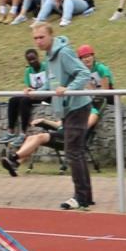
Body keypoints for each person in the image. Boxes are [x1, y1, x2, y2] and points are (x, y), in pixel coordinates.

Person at [28, 22, 94, 210]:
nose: (38, 41)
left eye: (41, 37)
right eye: (35, 38)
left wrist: (68, 89)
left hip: (77, 107)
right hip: (67, 109)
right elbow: (51, 84)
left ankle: (81, 197)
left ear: (51, 35)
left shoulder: (63, 53)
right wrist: (35, 92)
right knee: (76, 151)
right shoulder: (49, 57)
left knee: (73, 152)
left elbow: (84, 73)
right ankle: (85, 196)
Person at [7, 47, 48, 132]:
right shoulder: (28, 71)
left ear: (38, 57)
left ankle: (24, 131)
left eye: (33, 59)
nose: (32, 61)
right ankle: (11, 130)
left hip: (46, 95)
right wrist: (28, 90)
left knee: (24, 101)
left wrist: (36, 91)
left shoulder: (46, 67)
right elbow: (29, 86)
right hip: (34, 95)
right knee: (13, 100)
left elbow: (49, 83)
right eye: (29, 60)